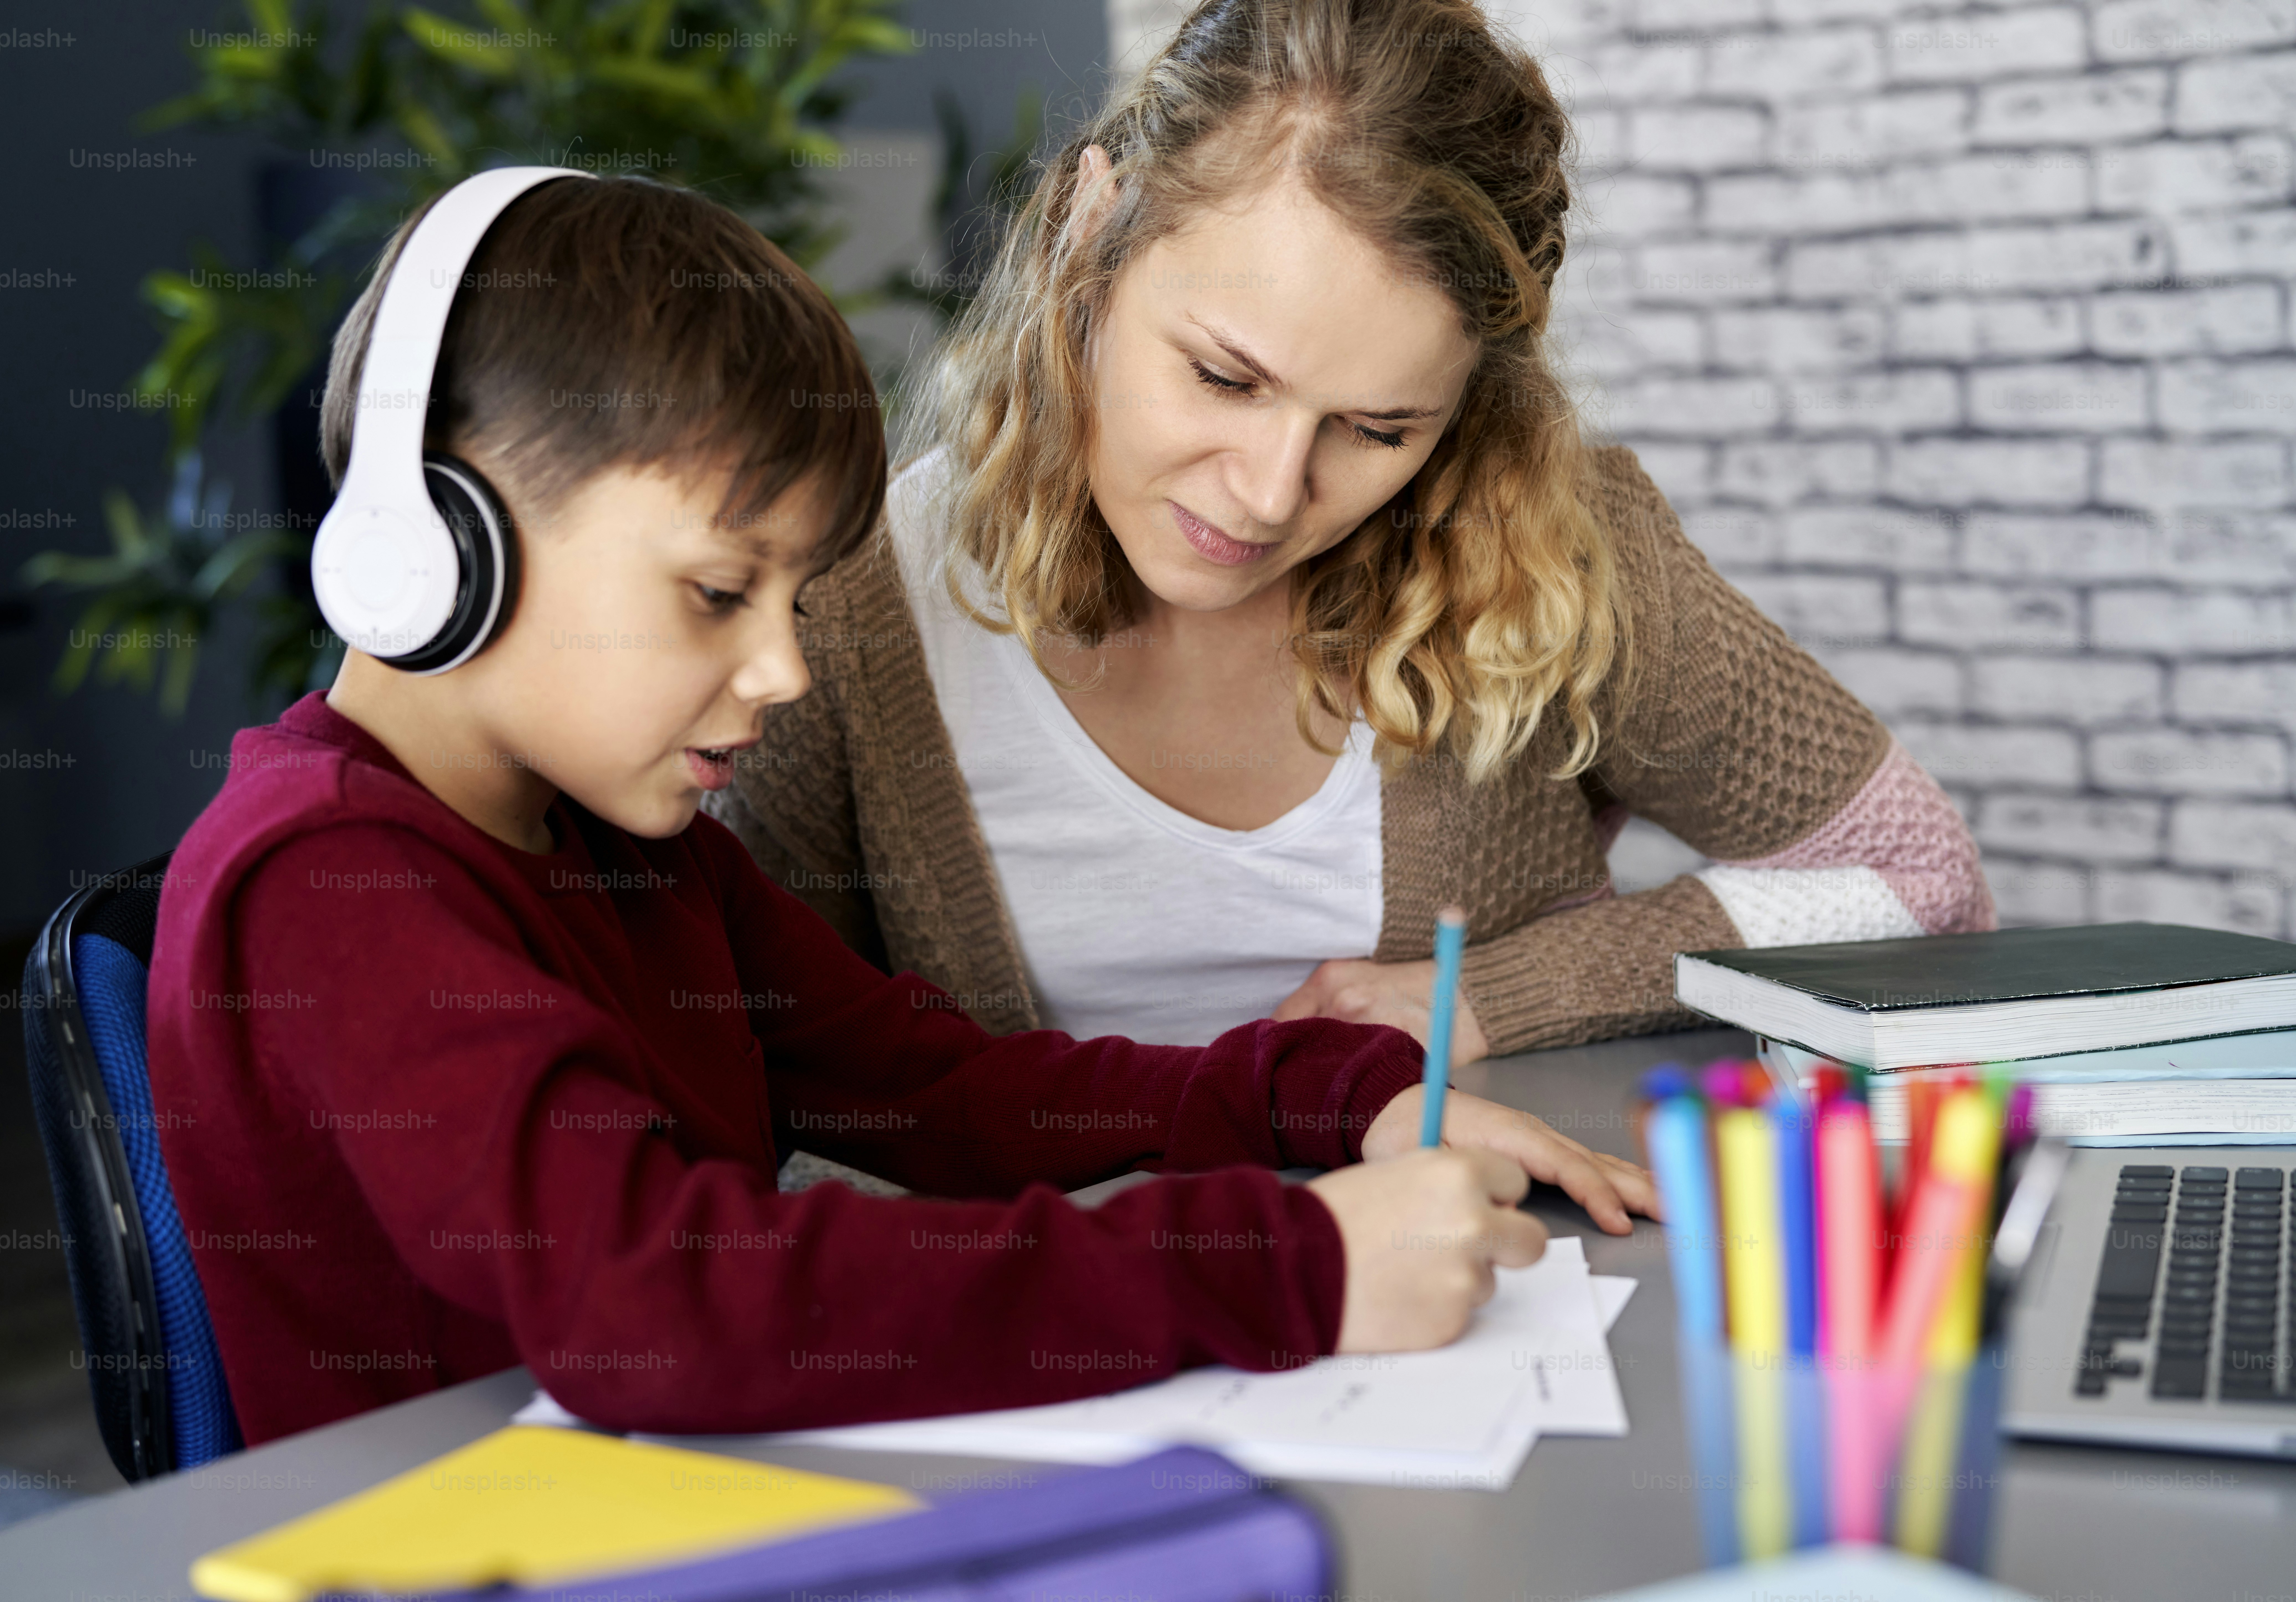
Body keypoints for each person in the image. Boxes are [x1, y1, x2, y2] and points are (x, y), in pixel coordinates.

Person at [144, 173, 1658, 1446]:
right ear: (436, 547)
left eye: (794, 599)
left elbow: (939, 1094)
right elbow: (653, 1302)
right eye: (720, 592)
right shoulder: (327, 883)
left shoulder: (617, 847)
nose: (783, 668)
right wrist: (1289, 1266)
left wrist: (1321, 1093)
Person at [711, 0, 1995, 1073]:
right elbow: (767, 1063)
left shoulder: (1552, 543)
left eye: (1377, 429)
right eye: (1223, 379)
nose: (1268, 496)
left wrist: (1492, 997)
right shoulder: (857, 594)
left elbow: (1916, 875)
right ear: (1087, 231)